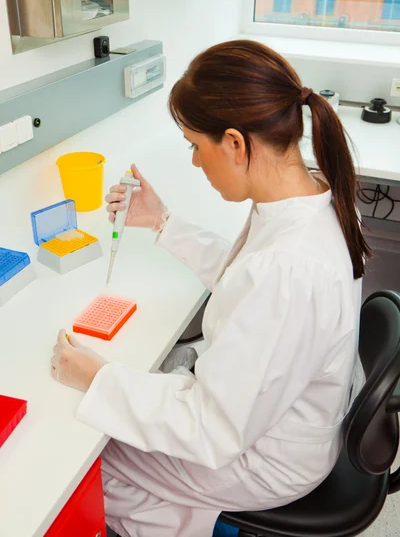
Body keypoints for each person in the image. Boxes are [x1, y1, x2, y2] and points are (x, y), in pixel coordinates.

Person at [51, 40, 370, 537]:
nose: (196, 163)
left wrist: (98, 378)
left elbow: (211, 429)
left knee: (87, 462)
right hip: (282, 420)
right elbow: (246, 278)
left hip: (264, 459)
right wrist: (162, 222)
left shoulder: (290, 268)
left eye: (196, 146)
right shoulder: (306, 195)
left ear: (236, 143)